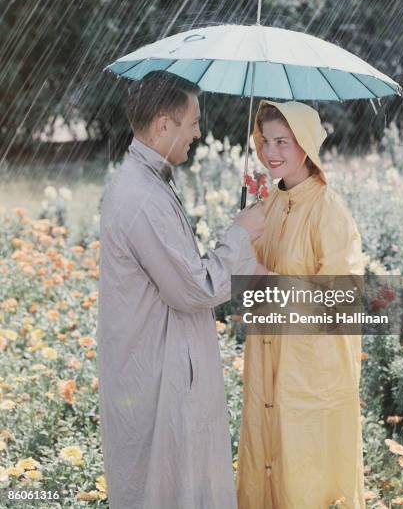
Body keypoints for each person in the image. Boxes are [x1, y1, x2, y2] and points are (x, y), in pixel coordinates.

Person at [97, 72, 266, 509]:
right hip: (157, 374)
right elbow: (194, 287)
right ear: (161, 125)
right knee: (166, 489)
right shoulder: (142, 198)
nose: (199, 132)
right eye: (191, 121)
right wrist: (241, 234)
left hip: (160, 365)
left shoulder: (149, 180)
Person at [237, 100, 365, 509]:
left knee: (308, 477)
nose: (270, 152)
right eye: (265, 141)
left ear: (306, 145)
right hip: (267, 365)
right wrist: (243, 236)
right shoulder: (268, 205)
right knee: (267, 465)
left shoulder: (329, 211)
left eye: (282, 142)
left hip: (311, 373)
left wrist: (268, 282)